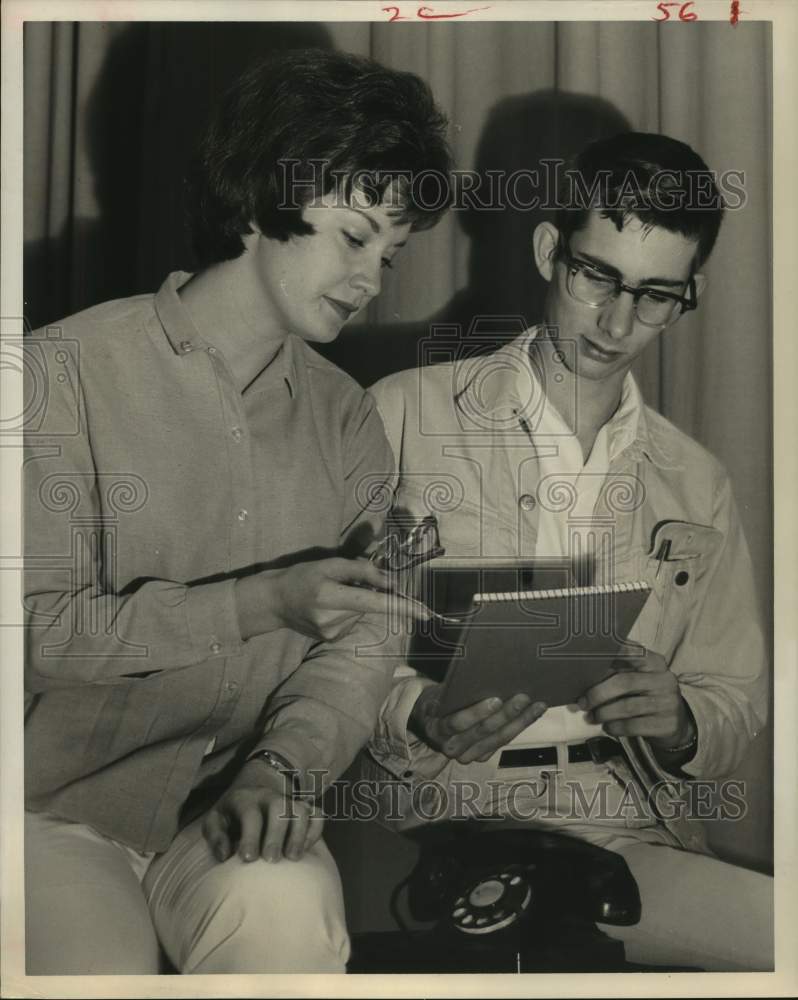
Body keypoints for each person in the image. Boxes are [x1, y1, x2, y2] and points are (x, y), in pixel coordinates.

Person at [23, 48, 451, 974]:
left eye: (392, 248)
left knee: (286, 916)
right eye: (353, 234)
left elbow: (363, 645)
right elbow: (37, 636)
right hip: (43, 813)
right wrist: (263, 602)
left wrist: (283, 767)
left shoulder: (347, 418)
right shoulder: (61, 375)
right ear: (264, 199)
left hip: (229, 806)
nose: (375, 276)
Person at [361, 132, 773, 970]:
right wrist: (416, 710)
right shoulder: (401, 415)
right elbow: (306, 647)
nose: (619, 323)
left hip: (621, 826)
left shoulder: (697, 480)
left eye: (657, 296)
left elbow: (735, 697)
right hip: (422, 814)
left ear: (686, 293)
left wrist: (683, 722)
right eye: (599, 278)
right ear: (551, 250)